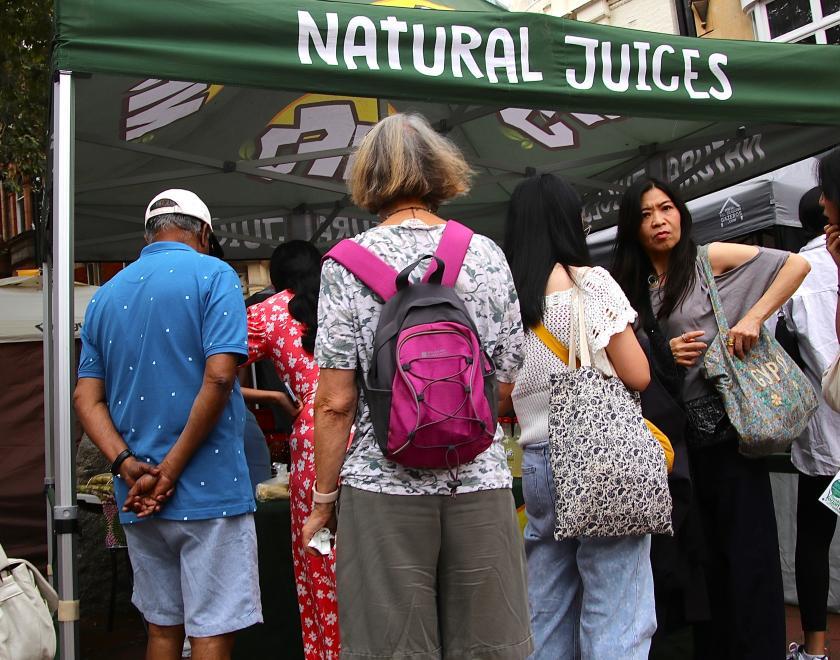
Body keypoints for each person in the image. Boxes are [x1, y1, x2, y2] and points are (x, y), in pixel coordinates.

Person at [301, 113, 532, 659]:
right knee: (489, 648)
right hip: (477, 477)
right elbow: (508, 377)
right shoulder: (485, 254)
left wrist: (322, 500)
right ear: (441, 172)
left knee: (394, 648)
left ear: (369, 178)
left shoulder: (344, 266)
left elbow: (335, 402)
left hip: (381, 485)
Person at [612, 177, 810, 660]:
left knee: (749, 554)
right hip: (672, 445)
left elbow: (796, 264)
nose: (660, 220)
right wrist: (661, 351)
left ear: (680, 211)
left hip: (728, 430)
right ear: (632, 227)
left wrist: (753, 317)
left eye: (666, 208)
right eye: (645, 214)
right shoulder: (626, 287)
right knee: (701, 563)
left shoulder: (708, 259)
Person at [74, 189, 262, 660]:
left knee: (161, 629)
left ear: (148, 235)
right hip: (209, 491)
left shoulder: (106, 294)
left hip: (137, 496)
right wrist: (172, 471)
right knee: (211, 632)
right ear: (204, 233)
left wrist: (125, 464)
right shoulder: (215, 274)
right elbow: (220, 377)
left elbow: (85, 397)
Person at [503, 173, 655, 659]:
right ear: (571, 222)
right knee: (616, 606)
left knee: (546, 607)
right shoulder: (590, 283)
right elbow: (638, 375)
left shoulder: (507, 298)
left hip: (539, 463)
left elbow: (500, 397)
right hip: (598, 457)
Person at [241, 240, 340, 660]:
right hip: (369, 435)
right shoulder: (346, 297)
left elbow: (213, 366)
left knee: (318, 559)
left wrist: (272, 396)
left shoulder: (267, 313)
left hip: (315, 439)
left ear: (277, 278)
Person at [781, 184, 840, 660]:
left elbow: (805, 351)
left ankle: (816, 649)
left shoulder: (797, 272)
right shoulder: (818, 268)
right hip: (826, 433)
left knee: (814, 542)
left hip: (825, 438)